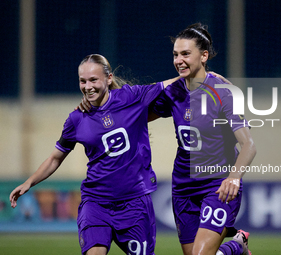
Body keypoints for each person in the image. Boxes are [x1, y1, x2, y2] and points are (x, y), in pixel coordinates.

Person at [9, 54, 179, 255]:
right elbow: (56, 157)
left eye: (93, 80)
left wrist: (204, 75)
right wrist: (30, 182)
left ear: (108, 78)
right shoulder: (76, 119)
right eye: (83, 81)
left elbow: (170, 84)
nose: (87, 86)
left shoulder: (131, 97)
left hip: (135, 204)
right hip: (96, 203)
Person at [150, 23, 256, 255]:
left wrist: (234, 178)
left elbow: (249, 144)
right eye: (176, 55)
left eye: (186, 54)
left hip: (217, 185)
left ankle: (235, 247)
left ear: (204, 55)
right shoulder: (174, 92)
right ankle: (236, 246)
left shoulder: (224, 92)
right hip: (183, 187)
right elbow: (138, 115)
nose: (179, 60)